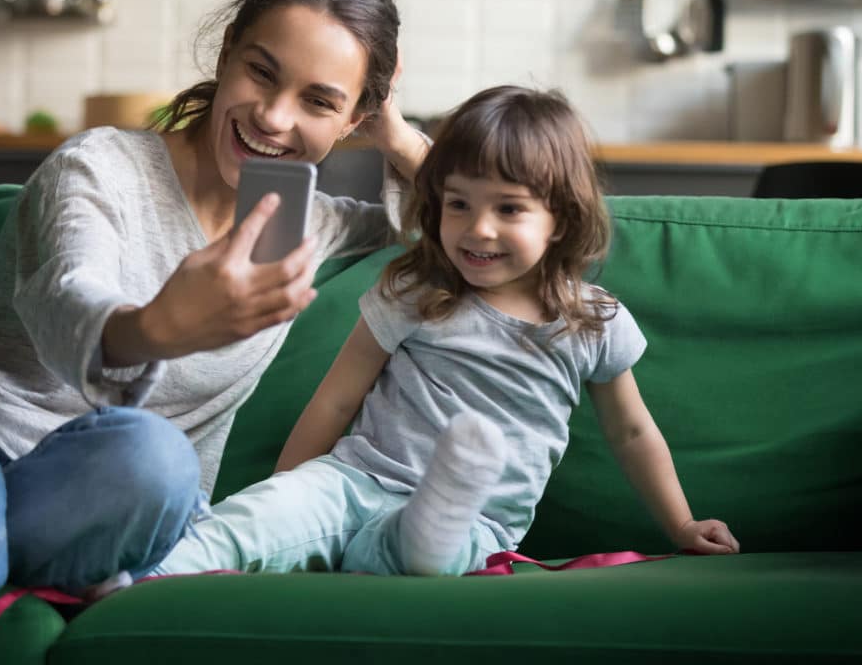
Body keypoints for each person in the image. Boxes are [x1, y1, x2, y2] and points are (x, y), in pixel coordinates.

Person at [0, 0, 427, 665]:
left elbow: (464, 226)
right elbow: (71, 295)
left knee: (156, 458)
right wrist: (156, 327)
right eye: (262, 73)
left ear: (354, 118)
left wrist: (398, 134)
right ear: (226, 53)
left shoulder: (313, 228)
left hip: (76, 493)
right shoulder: (101, 165)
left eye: (319, 102)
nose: (274, 116)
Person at [155, 85, 740, 578]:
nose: (477, 229)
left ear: (560, 219)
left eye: (509, 210)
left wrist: (683, 524)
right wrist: (289, 492)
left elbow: (634, 433)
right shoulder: (415, 290)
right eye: (458, 204)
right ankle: (151, 573)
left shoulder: (590, 322)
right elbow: (335, 400)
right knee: (253, 520)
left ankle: (437, 506)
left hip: (473, 522)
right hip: (354, 480)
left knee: (425, 546)